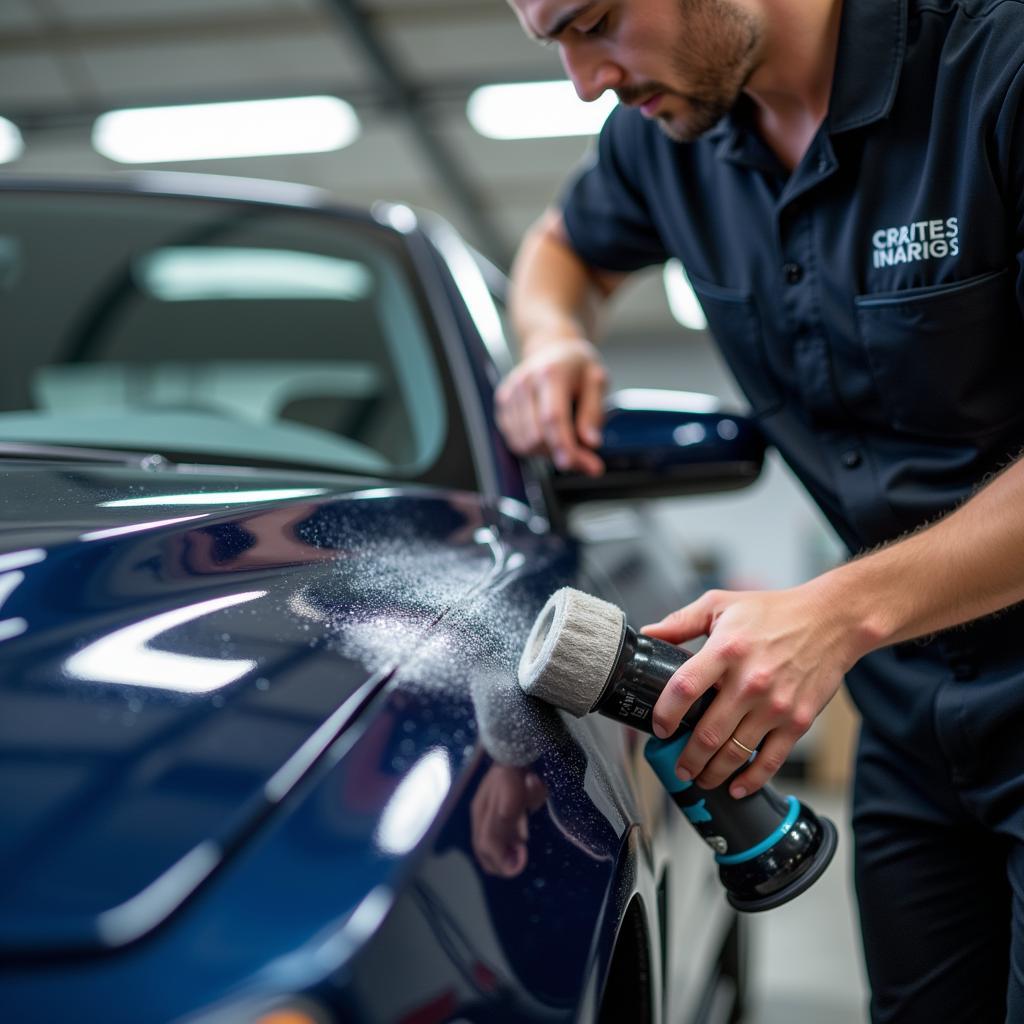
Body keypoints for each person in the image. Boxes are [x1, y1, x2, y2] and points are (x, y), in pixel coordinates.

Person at [495, 0, 1024, 1020]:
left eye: (594, 20)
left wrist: (835, 613)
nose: (583, 80)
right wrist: (552, 335)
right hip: (914, 720)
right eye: (550, 41)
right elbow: (560, 248)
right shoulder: (669, 134)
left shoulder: (996, 64)